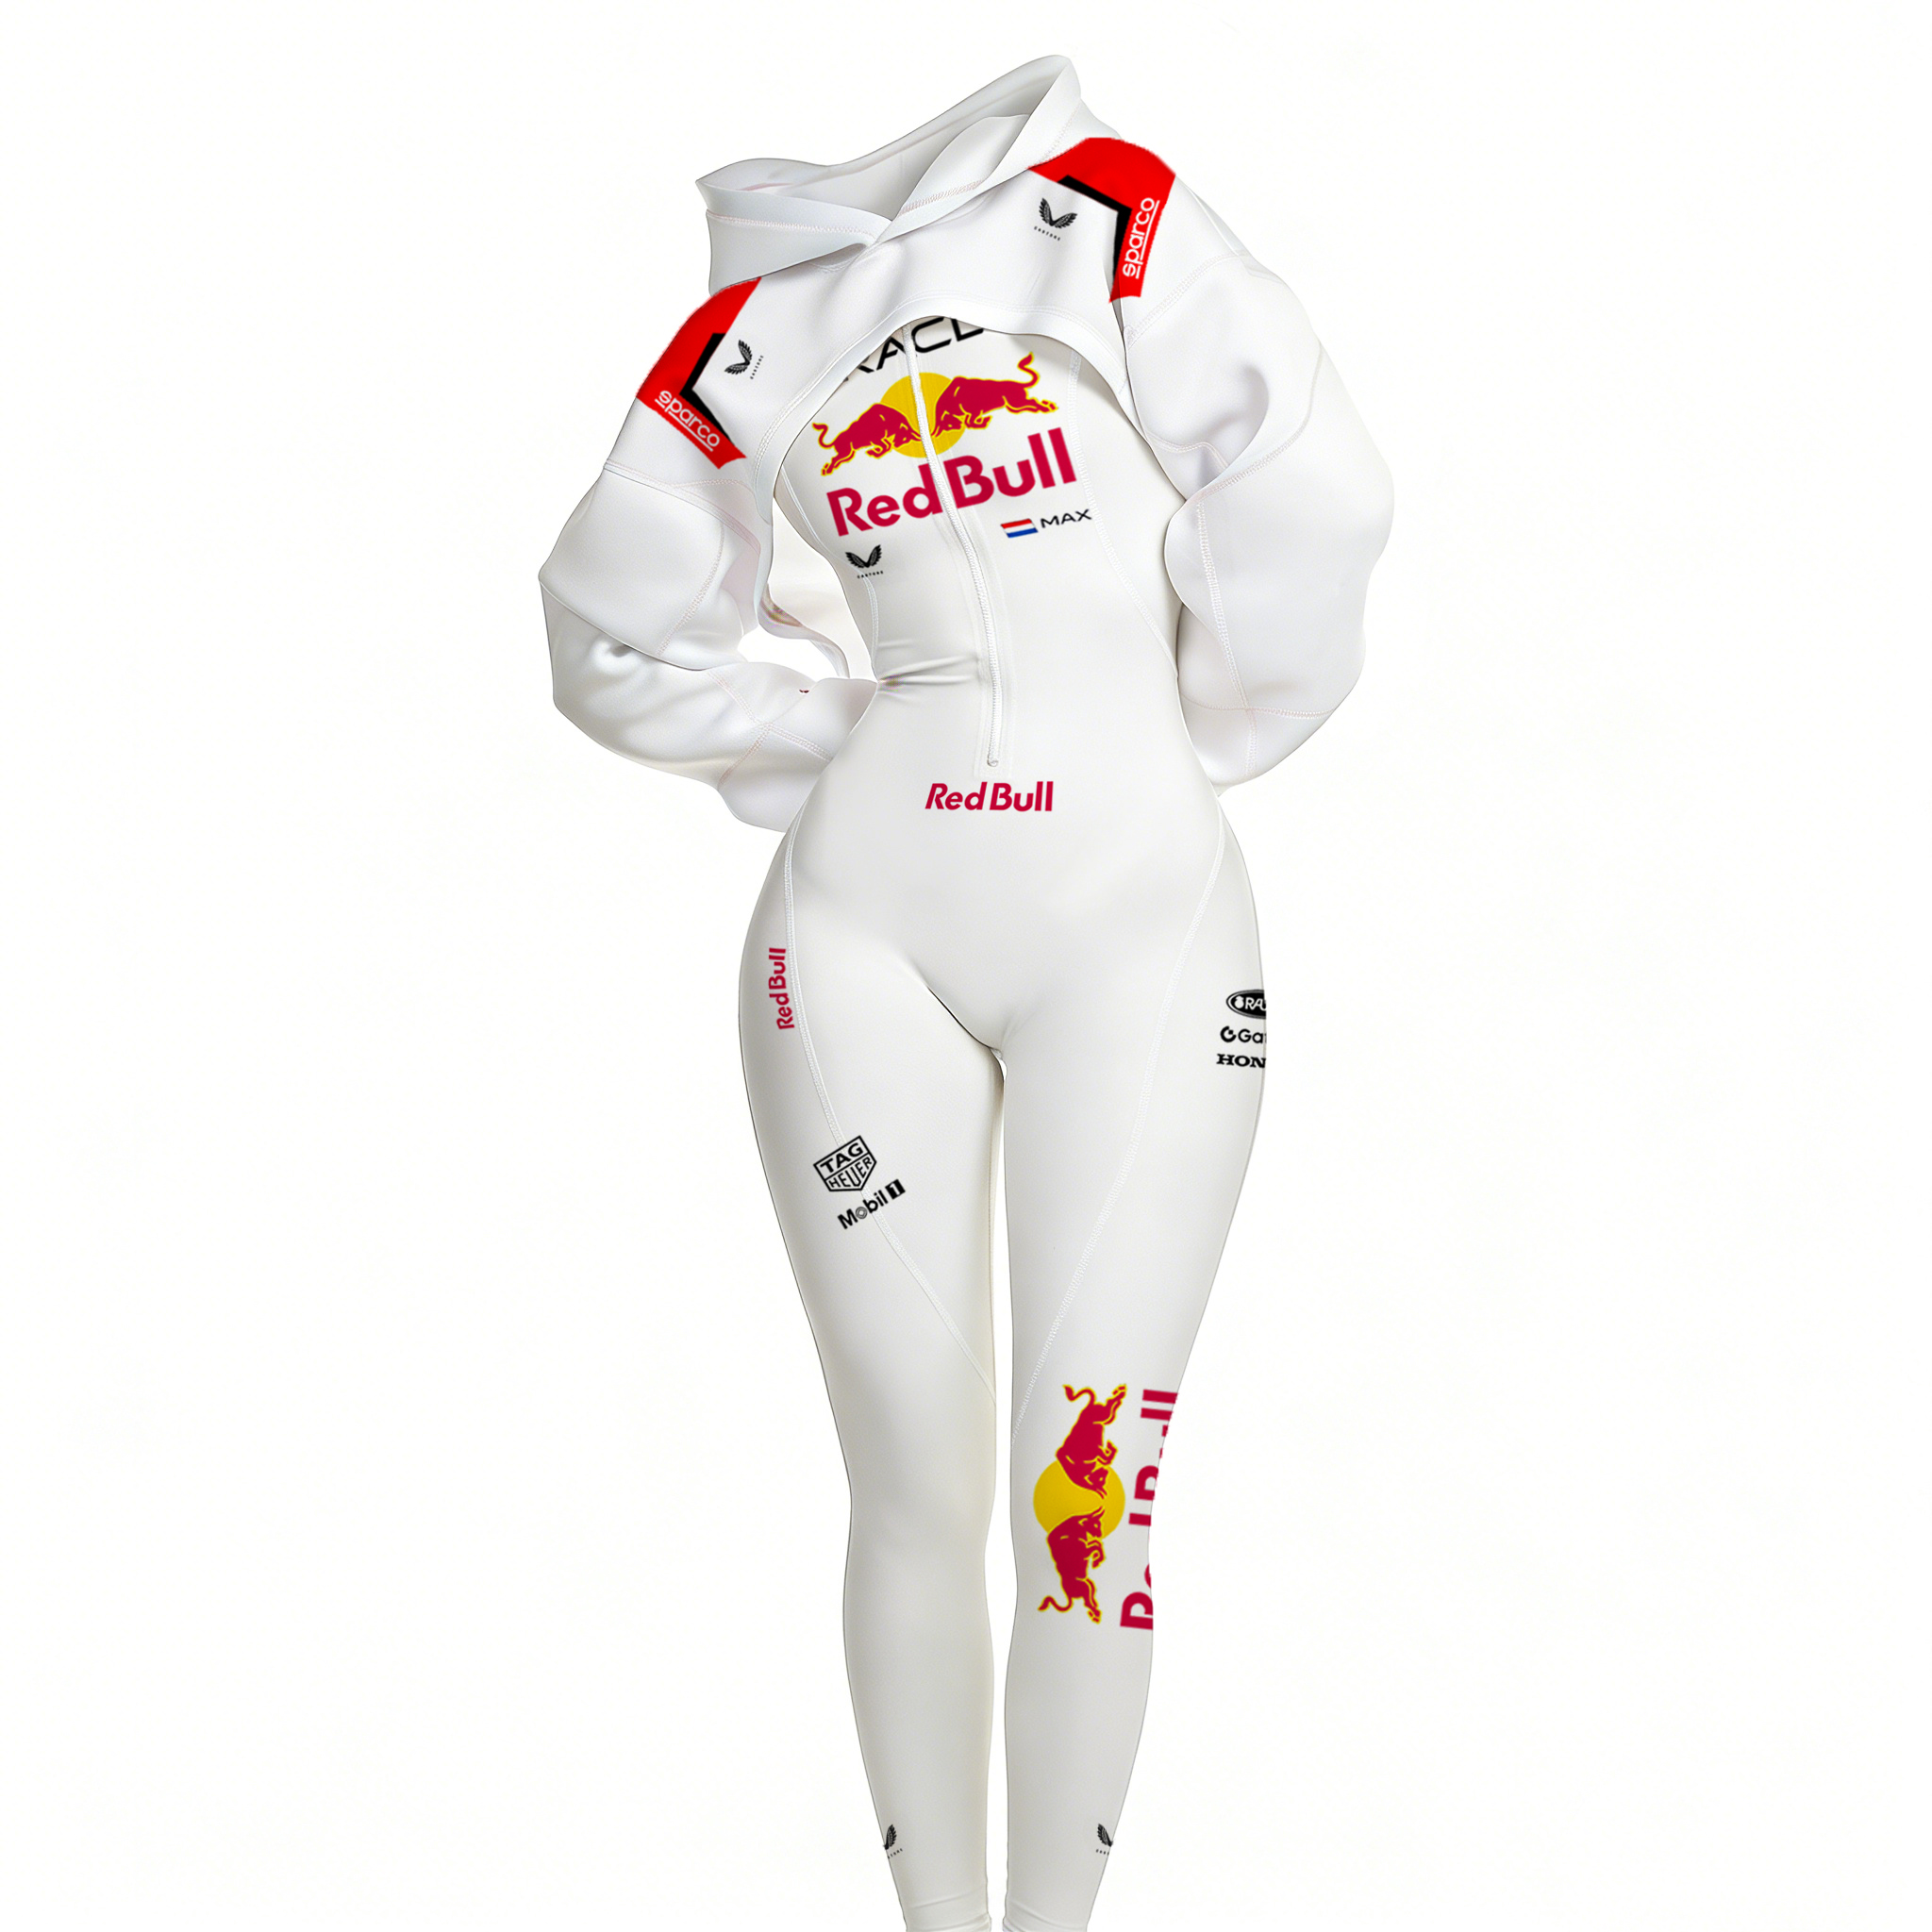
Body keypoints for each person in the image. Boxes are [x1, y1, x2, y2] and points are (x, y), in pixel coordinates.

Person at [540, 55, 1391, 1932]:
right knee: (925, 1489)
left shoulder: (1110, 218)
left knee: (1083, 1484)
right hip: (865, 940)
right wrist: (901, 737)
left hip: (1128, 935)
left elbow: (1310, 489)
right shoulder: (742, 340)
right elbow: (603, 636)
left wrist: (1163, 741)